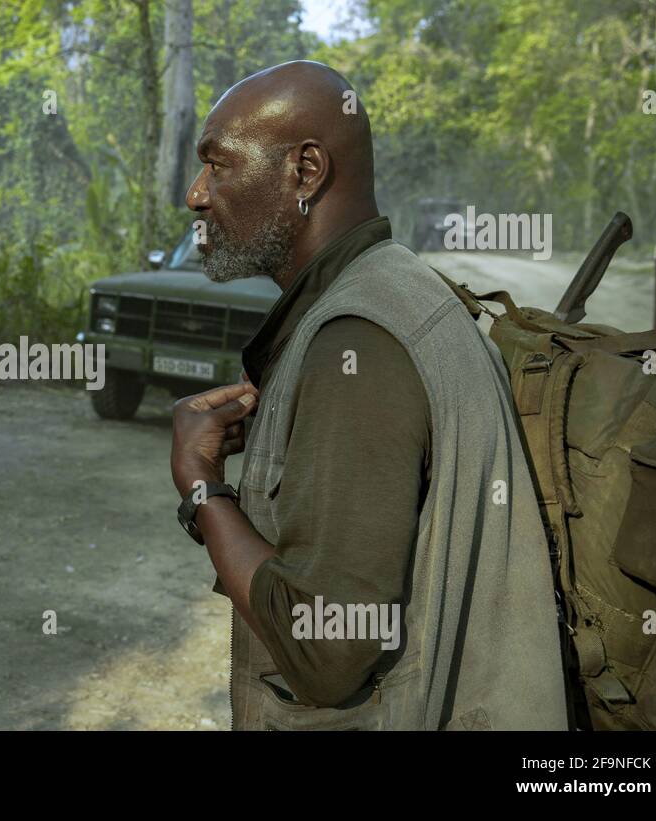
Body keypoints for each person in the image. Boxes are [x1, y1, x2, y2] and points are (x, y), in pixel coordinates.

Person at [169, 61, 568, 730]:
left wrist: (201, 485)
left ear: (306, 173)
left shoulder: (355, 340)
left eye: (219, 165)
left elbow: (327, 649)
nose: (196, 194)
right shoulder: (397, 285)